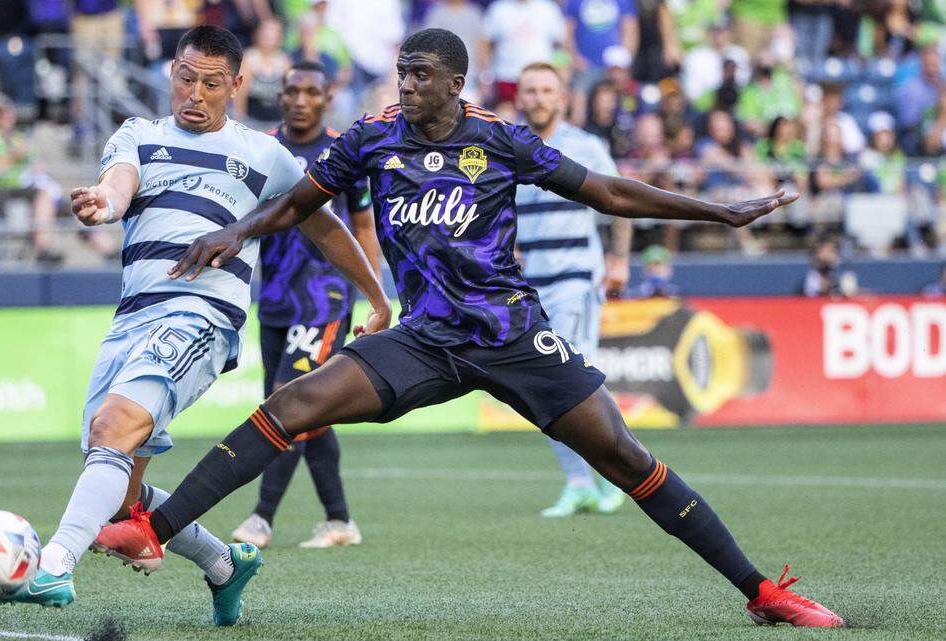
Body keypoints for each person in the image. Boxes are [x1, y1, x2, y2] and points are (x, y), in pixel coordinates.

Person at [99, 28, 844, 628]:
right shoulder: (371, 137)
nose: (406, 85)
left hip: (512, 336)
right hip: (425, 339)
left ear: (456, 83)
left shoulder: (501, 139)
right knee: (293, 404)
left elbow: (608, 193)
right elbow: (300, 202)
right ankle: (153, 530)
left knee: (624, 455)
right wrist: (238, 231)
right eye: (402, 72)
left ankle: (760, 591)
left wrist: (722, 211)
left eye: (421, 75)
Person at [0, 27, 391, 625]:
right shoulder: (138, 135)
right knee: (119, 497)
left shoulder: (264, 155)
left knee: (113, 427)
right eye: (186, 78)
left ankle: (53, 565)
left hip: (202, 315)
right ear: (171, 74)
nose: (196, 94)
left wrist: (377, 297)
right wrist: (105, 204)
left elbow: (323, 225)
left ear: (236, 86)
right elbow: (118, 185)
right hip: (131, 320)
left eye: (212, 84)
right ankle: (224, 565)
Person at [230, 61, 381, 550]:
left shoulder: (344, 152)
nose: (299, 100)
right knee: (306, 414)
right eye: (291, 90)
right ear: (280, 96)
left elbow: (363, 227)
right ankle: (339, 520)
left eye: (310, 92)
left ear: (327, 98)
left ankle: (261, 518)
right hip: (274, 298)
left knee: (289, 403)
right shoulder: (262, 148)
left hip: (324, 299)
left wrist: (373, 294)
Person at [514, 61, 632, 517]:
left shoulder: (584, 146)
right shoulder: (507, 148)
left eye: (547, 90)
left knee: (568, 381)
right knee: (548, 387)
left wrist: (619, 259)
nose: (538, 98)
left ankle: (609, 475)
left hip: (575, 280)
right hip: (528, 289)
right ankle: (585, 482)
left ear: (562, 98)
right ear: (519, 97)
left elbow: (620, 198)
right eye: (531, 90)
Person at [0, 100, 63, 264]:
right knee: (43, 195)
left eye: (4, 114)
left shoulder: (18, 139)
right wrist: (12, 157)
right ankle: (43, 249)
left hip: (21, 191)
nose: (0, 118)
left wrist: (33, 164)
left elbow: (37, 168)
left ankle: (106, 250)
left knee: (71, 203)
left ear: (12, 117)